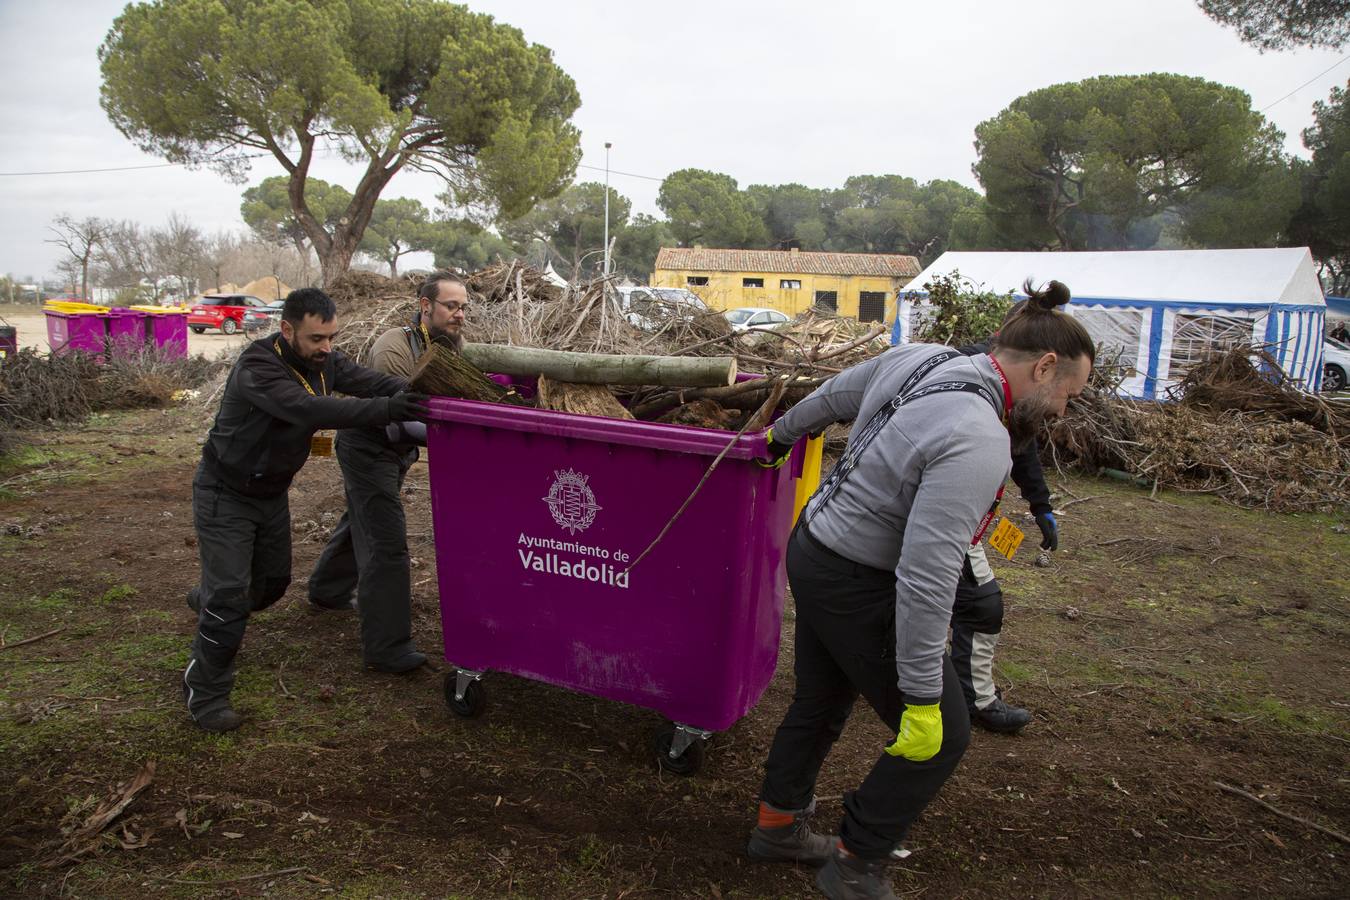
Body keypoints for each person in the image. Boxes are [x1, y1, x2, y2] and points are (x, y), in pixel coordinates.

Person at [745, 280, 1093, 899]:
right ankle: (856, 865)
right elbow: (927, 574)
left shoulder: (924, 356)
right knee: (943, 737)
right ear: (1044, 367)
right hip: (858, 578)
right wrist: (924, 694)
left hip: (815, 546)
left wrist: (779, 436)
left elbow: (835, 394)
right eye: (1069, 393)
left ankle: (779, 828)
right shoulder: (980, 438)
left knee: (822, 701)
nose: (1065, 410)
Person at [183, 288, 429, 733]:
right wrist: (386, 410)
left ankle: (207, 599)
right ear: (287, 330)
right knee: (232, 596)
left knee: (270, 587)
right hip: (224, 494)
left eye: (331, 337)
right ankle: (206, 691)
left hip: (271, 495)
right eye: (317, 338)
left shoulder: (325, 362)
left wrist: (410, 390)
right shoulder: (257, 368)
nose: (327, 348)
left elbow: (365, 379)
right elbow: (307, 407)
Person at [307, 271, 469, 672]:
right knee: (385, 539)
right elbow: (404, 417)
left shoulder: (455, 346)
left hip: (398, 450)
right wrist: (463, 439)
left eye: (463, 306)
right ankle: (387, 646)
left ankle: (327, 590)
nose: (459, 314)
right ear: (425, 306)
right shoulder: (393, 347)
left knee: (362, 517)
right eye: (451, 305)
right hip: (368, 446)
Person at [950, 331, 1059, 735]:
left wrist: (1040, 503)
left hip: (949, 509)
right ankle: (975, 700)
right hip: (944, 511)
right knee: (980, 604)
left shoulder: (1010, 385)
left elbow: (1024, 445)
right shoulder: (967, 371)